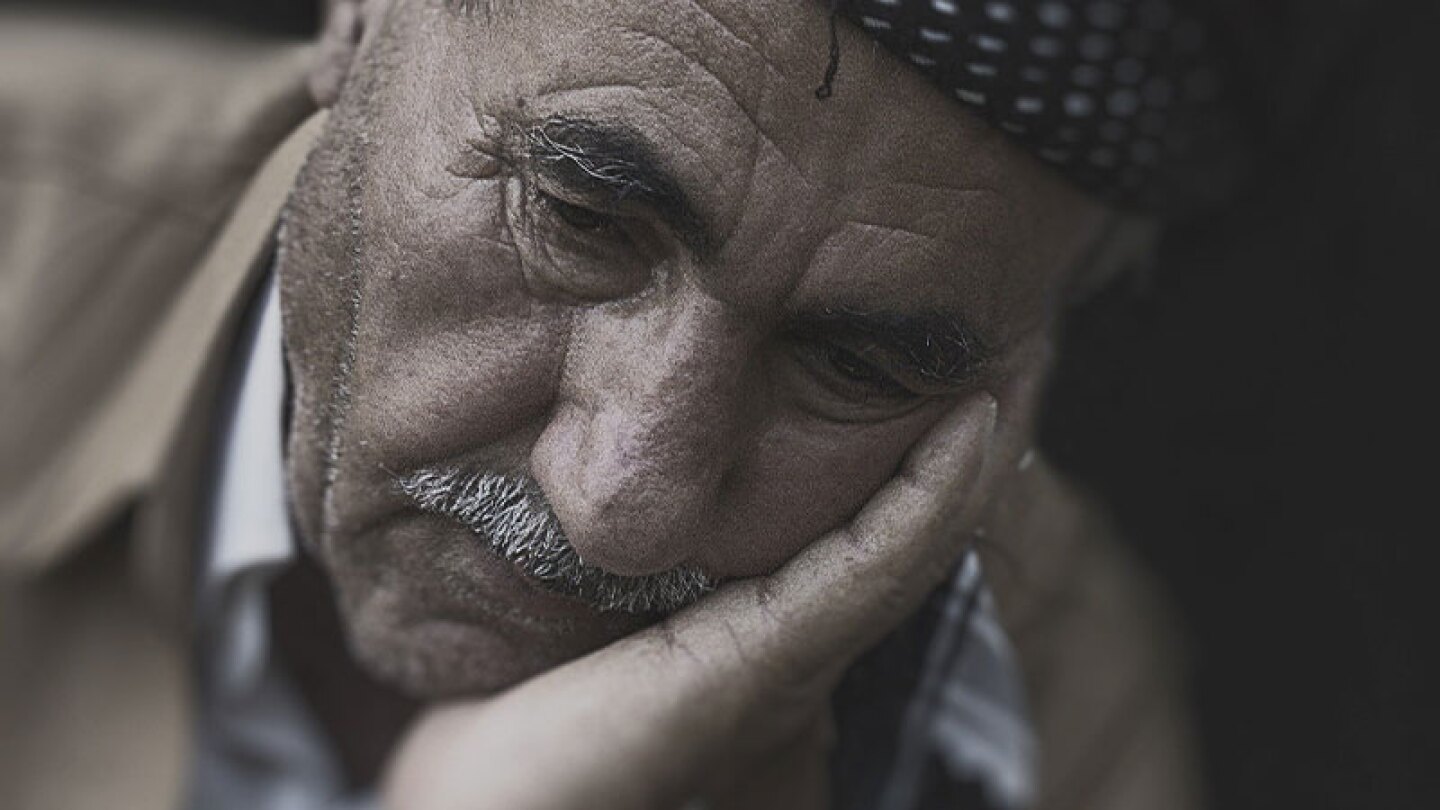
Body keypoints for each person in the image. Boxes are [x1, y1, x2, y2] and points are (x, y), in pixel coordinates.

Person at [1, 1, 1242, 808]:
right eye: (583, 221)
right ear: (361, 20)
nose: (618, 507)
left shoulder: (1031, 709)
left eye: (858, 368)